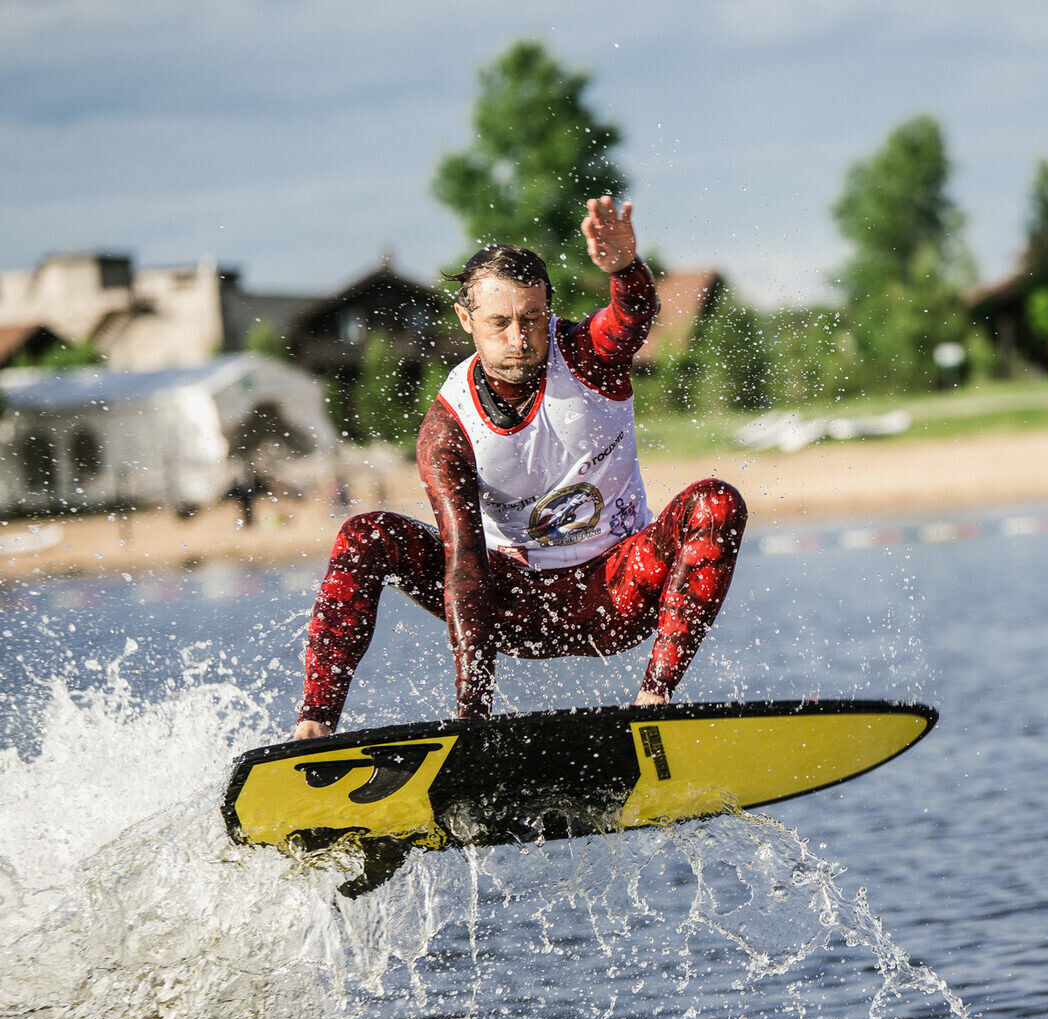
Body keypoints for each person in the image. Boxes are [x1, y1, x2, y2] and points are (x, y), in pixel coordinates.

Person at [293, 197, 747, 739]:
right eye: (499, 322)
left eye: (532, 317)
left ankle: (654, 703)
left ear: (549, 309)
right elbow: (464, 568)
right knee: (365, 535)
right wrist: (472, 721)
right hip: (518, 605)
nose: (519, 337)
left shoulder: (586, 356)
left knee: (717, 500)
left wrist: (626, 270)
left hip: (623, 588)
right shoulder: (447, 429)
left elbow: (632, 318)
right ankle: (314, 727)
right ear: (466, 319)